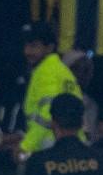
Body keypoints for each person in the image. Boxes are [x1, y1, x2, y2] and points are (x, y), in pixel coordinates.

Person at [18, 22, 82, 157]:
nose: (27, 51)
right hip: (72, 143)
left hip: (52, 144)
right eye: (25, 45)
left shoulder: (46, 71)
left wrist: (25, 146)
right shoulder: (59, 69)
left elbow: (47, 114)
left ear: (49, 48)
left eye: (33, 46)